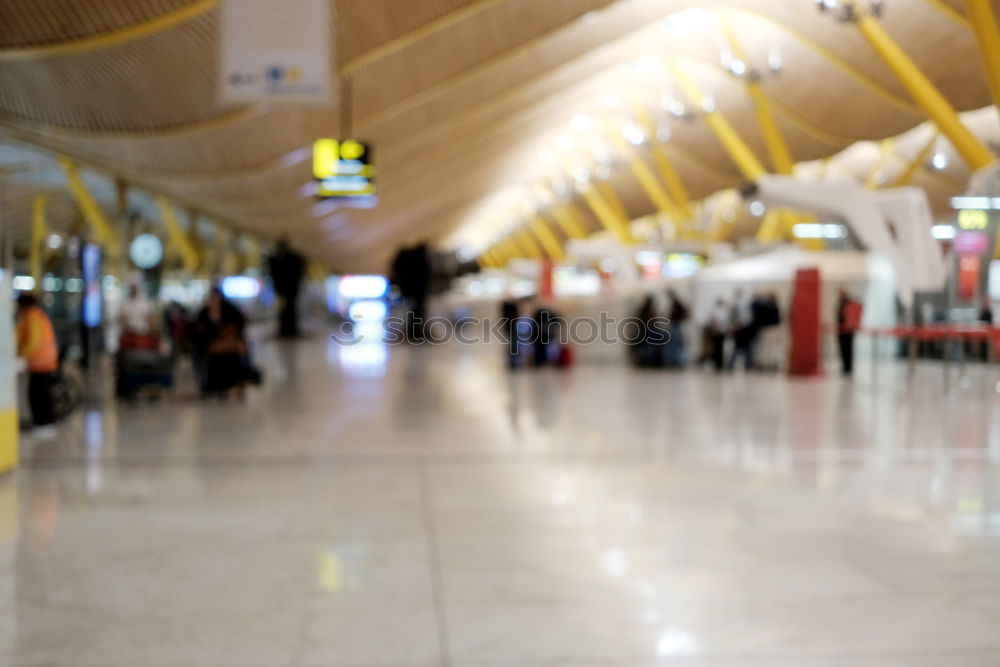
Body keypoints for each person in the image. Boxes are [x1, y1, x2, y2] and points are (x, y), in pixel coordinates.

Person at [193, 288, 259, 396]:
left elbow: (238, 329)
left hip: (229, 345)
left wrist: (231, 341)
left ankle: (241, 379)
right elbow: (199, 336)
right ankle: (212, 385)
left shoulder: (230, 311)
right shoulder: (203, 314)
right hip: (211, 345)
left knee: (240, 351)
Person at [16, 294, 58, 436]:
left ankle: (44, 424)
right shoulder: (34, 315)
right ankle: (43, 423)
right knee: (39, 394)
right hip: (41, 361)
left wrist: (20, 354)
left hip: (41, 361)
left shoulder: (33, 317)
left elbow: (34, 342)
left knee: (39, 395)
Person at [391, 243, 432, 343]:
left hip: (413, 291)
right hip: (416, 291)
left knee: (415, 311)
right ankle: (415, 332)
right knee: (417, 311)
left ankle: (414, 332)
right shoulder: (418, 260)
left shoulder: (407, 260)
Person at [268, 238, 305, 338]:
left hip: (289, 289)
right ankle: (287, 328)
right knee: (287, 309)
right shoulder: (288, 258)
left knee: (288, 309)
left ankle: (289, 329)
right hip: (286, 290)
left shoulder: (290, 259)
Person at [836, 289, 863, 376]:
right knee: (843, 350)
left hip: (848, 330)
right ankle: (845, 367)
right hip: (841, 330)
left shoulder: (849, 303)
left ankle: (848, 367)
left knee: (848, 349)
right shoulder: (841, 303)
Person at [729, 289, 756, 371]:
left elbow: (749, 318)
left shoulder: (743, 305)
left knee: (744, 347)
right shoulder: (738, 305)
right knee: (739, 347)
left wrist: (739, 325)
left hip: (743, 329)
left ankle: (747, 364)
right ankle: (744, 364)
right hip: (740, 328)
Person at [665, 290, 689, 368]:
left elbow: (684, 313)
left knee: (675, 344)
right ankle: (675, 361)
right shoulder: (676, 304)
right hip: (675, 324)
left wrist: (676, 318)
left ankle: (678, 362)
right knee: (674, 344)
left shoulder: (677, 304)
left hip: (676, 325)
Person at [709, 298, 731, 372]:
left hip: (722, 331)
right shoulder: (716, 311)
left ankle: (720, 363)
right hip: (716, 331)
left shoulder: (724, 311)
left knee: (721, 347)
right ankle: (716, 363)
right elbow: (713, 321)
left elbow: (726, 321)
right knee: (716, 348)